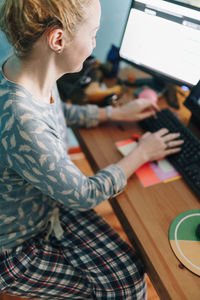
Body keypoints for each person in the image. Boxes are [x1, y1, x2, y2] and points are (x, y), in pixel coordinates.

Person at [0, 0, 183, 299]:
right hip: (15, 245)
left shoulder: (25, 67)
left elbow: (57, 112)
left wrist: (113, 114)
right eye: (94, 33)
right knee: (128, 286)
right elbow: (85, 194)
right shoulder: (23, 122)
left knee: (127, 274)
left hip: (46, 203)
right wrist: (143, 153)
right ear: (58, 39)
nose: (95, 43)